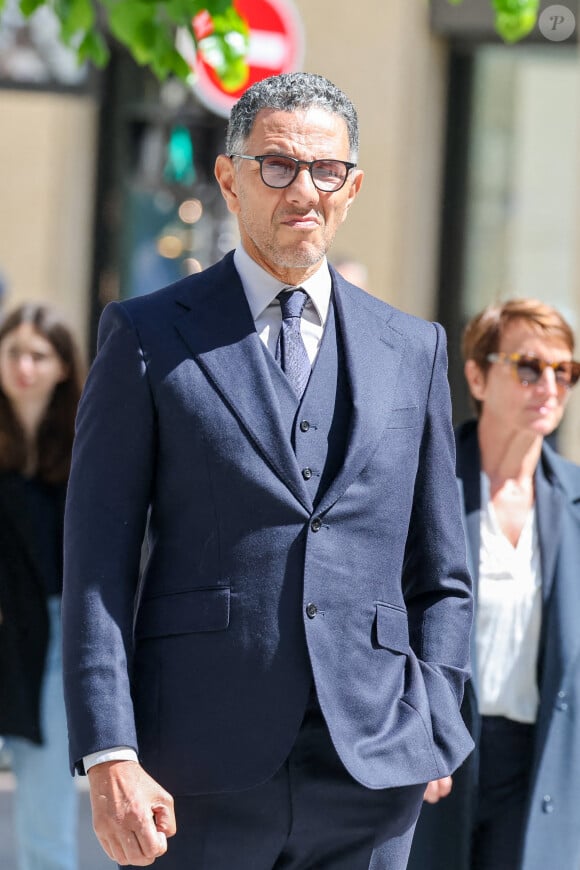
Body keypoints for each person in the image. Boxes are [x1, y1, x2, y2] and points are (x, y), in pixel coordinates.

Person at [61, 71, 473, 870]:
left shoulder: (413, 346)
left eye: (327, 172)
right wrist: (111, 751)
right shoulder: (145, 336)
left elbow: (442, 570)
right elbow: (97, 569)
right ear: (229, 177)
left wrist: (435, 717)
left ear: (352, 188)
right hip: (197, 769)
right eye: (278, 166)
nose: (303, 191)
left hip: (374, 769)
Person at [407, 298, 580, 870]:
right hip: (436, 758)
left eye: (566, 371)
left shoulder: (575, 503)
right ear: (477, 375)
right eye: (529, 366)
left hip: (538, 771)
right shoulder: (422, 483)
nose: (550, 386)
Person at [0, 303, 85, 870]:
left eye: (39, 354)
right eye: (13, 352)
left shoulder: (87, 443)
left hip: (56, 638)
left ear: (62, 366)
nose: (24, 366)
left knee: (45, 819)